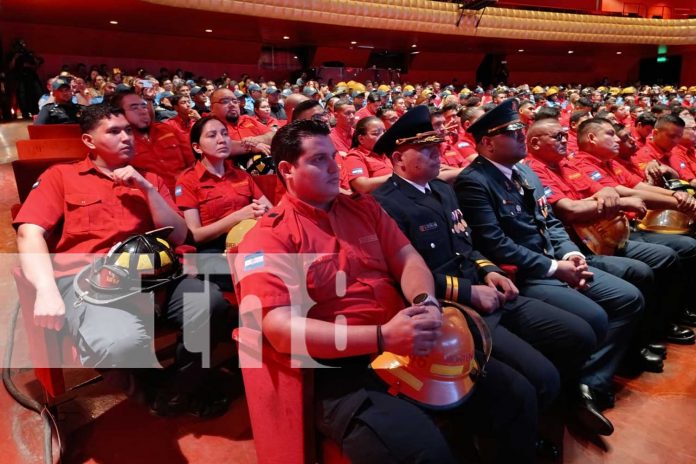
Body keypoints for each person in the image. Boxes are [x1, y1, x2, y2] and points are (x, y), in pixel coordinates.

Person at [235, 118, 538, 464]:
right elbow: (279, 330)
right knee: (424, 452)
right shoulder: (266, 238)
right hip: (344, 367)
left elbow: (407, 258)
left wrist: (425, 302)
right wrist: (381, 337)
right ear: (288, 169)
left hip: (407, 340)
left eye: (333, 156)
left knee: (517, 396)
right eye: (319, 160)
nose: (335, 168)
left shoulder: (364, 208)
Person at [371, 106, 596, 424]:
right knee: (540, 380)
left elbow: (468, 245)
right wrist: (469, 292)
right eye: (425, 150)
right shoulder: (385, 205)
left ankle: (563, 409)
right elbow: (403, 276)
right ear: (397, 160)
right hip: (453, 310)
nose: (437, 155)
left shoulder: (442, 191)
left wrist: (488, 269)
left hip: (489, 290)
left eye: (437, 147)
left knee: (579, 334)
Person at [14, 104, 232, 417]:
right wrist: (46, 291)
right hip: (92, 282)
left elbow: (181, 235)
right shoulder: (62, 176)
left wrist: (146, 190)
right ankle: (157, 391)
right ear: (89, 141)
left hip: (158, 277)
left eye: (128, 130)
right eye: (114, 131)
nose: (126, 137)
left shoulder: (151, 179)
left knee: (211, 304)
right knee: (116, 343)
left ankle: (174, 392)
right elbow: (29, 233)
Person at [454, 99, 645, 435]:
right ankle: (574, 393)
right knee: (593, 318)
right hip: (522, 274)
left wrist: (572, 254)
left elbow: (550, 223)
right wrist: (556, 267)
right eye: (512, 132)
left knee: (629, 297)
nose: (520, 136)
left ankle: (587, 384)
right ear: (486, 142)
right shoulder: (475, 181)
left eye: (520, 129)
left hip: (553, 261)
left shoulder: (524, 170)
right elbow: (496, 245)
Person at [175, 116, 272, 289]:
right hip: (213, 251)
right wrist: (238, 217)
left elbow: (270, 211)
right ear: (197, 148)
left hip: (249, 242)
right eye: (212, 136)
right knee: (257, 272)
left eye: (225, 134)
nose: (222, 140)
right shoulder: (187, 181)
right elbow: (195, 235)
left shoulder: (242, 175)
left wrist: (262, 214)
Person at [111, 90, 194, 195]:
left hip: (187, 191)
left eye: (144, 106)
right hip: (154, 200)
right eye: (134, 107)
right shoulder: (120, 142)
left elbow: (192, 162)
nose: (143, 111)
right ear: (119, 114)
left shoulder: (167, 129)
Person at [342, 116, 391, 194]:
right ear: (361, 139)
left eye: (384, 132)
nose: (383, 136)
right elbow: (362, 186)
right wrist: (397, 178)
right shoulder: (355, 156)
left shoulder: (387, 152)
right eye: (376, 133)